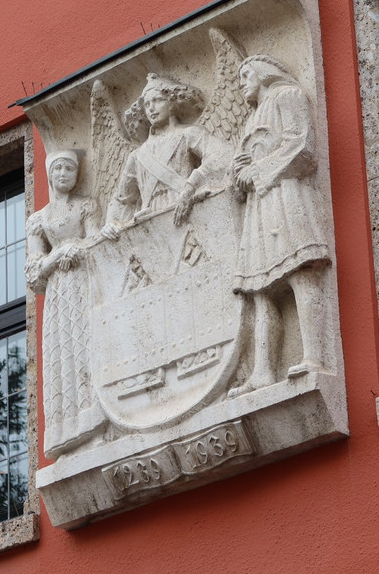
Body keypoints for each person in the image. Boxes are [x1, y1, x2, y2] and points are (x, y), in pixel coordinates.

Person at [232, 55, 332, 390]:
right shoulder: (250, 119)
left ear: (263, 73)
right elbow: (240, 167)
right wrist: (241, 172)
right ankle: (263, 371)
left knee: (300, 274)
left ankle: (314, 356)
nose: (241, 82)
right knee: (261, 291)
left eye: (246, 74)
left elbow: (302, 146)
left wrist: (258, 170)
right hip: (259, 205)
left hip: (286, 195)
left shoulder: (287, 95)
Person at [26, 150, 104, 457]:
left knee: (88, 347)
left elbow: (97, 243)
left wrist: (78, 248)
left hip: (85, 285)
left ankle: (94, 422)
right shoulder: (39, 220)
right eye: (57, 168)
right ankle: (65, 433)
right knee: (64, 354)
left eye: (69, 168)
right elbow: (34, 272)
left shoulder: (86, 206)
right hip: (59, 292)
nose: (63, 173)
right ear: (48, 174)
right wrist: (56, 256)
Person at [101, 73, 228, 238]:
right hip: (152, 223)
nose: (151, 108)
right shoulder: (137, 155)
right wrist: (111, 222)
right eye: (147, 104)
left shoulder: (189, 134)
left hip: (186, 210)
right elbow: (122, 199)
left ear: (172, 103)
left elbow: (222, 155)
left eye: (157, 100)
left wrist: (191, 186)